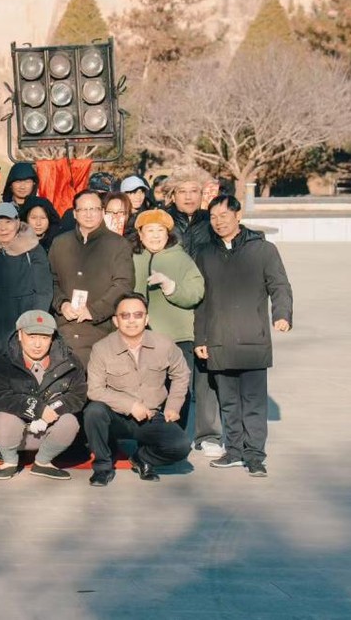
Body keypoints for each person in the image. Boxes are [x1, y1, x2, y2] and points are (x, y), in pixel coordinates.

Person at [195, 195, 293, 478]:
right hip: (218, 338)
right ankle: (234, 451)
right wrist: (200, 338)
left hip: (253, 337)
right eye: (213, 217)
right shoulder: (205, 253)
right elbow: (201, 300)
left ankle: (255, 456)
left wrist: (282, 315)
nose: (218, 222)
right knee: (228, 402)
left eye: (224, 215)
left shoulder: (263, 249)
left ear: (238, 215)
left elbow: (279, 285)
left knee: (253, 403)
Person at [85, 294, 191, 487]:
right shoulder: (101, 348)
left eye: (138, 315)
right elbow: (95, 390)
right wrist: (130, 405)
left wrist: (173, 406)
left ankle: (142, 459)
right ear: (116, 321)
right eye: (125, 316)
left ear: (146, 318)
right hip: (115, 417)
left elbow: (181, 374)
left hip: (150, 416)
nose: (132, 321)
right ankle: (102, 468)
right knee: (93, 411)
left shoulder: (164, 344)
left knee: (181, 446)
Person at [0, 311, 86, 481]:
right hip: (15, 433)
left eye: (45, 337)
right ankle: (9, 461)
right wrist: (37, 408)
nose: (38, 344)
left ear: (52, 338)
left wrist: (51, 410)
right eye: (32, 336)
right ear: (19, 335)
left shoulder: (70, 361)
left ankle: (43, 462)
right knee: (2, 419)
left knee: (70, 422)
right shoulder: (1, 361)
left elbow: (77, 395)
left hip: (47, 432)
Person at [131, 209, 204, 431]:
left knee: (177, 387)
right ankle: (147, 437)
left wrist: (170, 286)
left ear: (168, 233)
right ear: (140, 234)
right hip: (141, 337)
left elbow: (196, 291)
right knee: (145, 388)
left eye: (160, 230)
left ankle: (176, 435)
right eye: (149, 230)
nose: (155, 235)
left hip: (177, 336)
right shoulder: (132, 258)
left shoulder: (181, 258)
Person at [48, 190, 135, 366]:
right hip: (65, 329)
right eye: (83, 209)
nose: (88, 214)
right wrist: (62, 304)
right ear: (74, 213)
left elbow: (124, 285)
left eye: (94, 209)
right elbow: (50, 281)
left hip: (101, 331)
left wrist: (93, 311)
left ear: (102, 212)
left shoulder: (118, 244)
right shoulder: (60, 243)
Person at [0, 203, 53, 365]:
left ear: (17, 222)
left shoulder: (32, 250)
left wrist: (34, 326)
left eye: (8, 222)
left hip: (22, 322)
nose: (3, 228)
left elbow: (43, 291)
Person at [163, 167, 214, 259]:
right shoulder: (162, 221)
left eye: (194, 191)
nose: (188, 197)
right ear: (173, 197)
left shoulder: (211, 220)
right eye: (182, 191)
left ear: (201, 195)